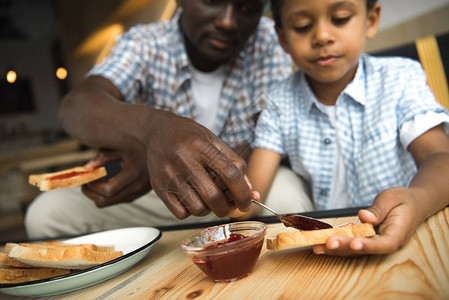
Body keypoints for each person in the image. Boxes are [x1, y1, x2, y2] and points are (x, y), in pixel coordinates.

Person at [24, 0, 313, 239]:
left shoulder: (267, 39)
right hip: (158, 191)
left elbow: (269, 133)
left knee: (288, 200)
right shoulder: (145, 42)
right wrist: (153, 135)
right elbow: (76, 106)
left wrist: (201, 168)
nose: (228, 21)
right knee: (46, 215)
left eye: (247, 8)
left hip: (246, 185)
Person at [245, 0, 449, 256]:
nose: (322, 36)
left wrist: (419, 200)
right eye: (302, 25)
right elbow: (252, 197)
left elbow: (441, 159)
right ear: (282, 37)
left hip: (414, 233)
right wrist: (233, 193)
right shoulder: (279, 101)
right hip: (322, 252)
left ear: (371, 20)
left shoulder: (400, 78)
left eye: (340, 19)